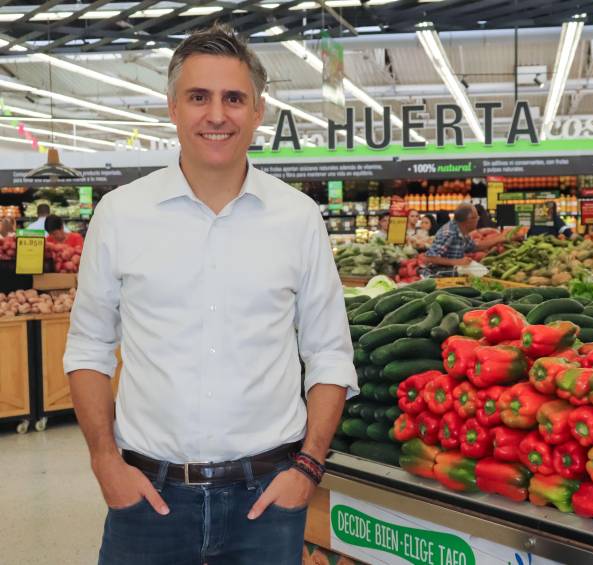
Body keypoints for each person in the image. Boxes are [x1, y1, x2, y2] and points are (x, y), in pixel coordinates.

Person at [63, 25, 357, 565]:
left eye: (233, 98)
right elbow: (88, 349)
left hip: (267, 502)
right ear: (172, 108)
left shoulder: (297, 218)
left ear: (258, 111)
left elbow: (330, 353)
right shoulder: (121, 215)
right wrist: (105, 462)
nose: (216, 115)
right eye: (199, 97)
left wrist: (309, 467)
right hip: (147, 503)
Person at [422, 203, 521, 277]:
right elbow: (428, 258)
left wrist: (502, 237)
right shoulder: (449, 233)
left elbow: (476, 246)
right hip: (437, 278)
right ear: (469, 220)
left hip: (449, 275)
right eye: (476, 218)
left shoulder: (461, 231)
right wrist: (457, 262)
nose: (478, 220)